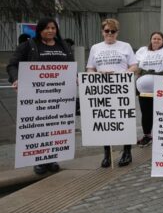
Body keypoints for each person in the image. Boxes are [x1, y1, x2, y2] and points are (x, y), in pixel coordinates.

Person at [7, 18, 74, 175]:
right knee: (39, 128)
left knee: (55, 127)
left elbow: (70, 66)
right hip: (36, 95)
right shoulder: (29, 46)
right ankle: (39, 161)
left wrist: (74, 77)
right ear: (39, 30)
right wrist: (16, 79)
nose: (50, 31)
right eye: (46, 28)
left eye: (53, 28)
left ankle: (51, 158)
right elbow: (12, 65)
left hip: (58, 95)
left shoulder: (63, 46)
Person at [86, 19, 138, 168]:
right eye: (107, 31)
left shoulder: (125, 46)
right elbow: (90, 68)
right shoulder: (95, 48)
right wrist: (97, 74)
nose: (110, 34)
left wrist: (122, 74)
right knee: (105, 119)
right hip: (102, 88)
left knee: (124, 120)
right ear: (102, 32)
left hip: (121, 88)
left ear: (117, 33)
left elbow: (134, 66)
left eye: (113, 31)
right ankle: (107, 154)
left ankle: (127, 152)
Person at [135, 30, 163, 147]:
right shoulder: (143, 51)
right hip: (144, 90)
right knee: (146, 113)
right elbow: (135, 65)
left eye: (159, 39)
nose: (156, 40)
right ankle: (147, 135)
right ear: (150, 40)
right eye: (154, 38)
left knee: (162, 112)